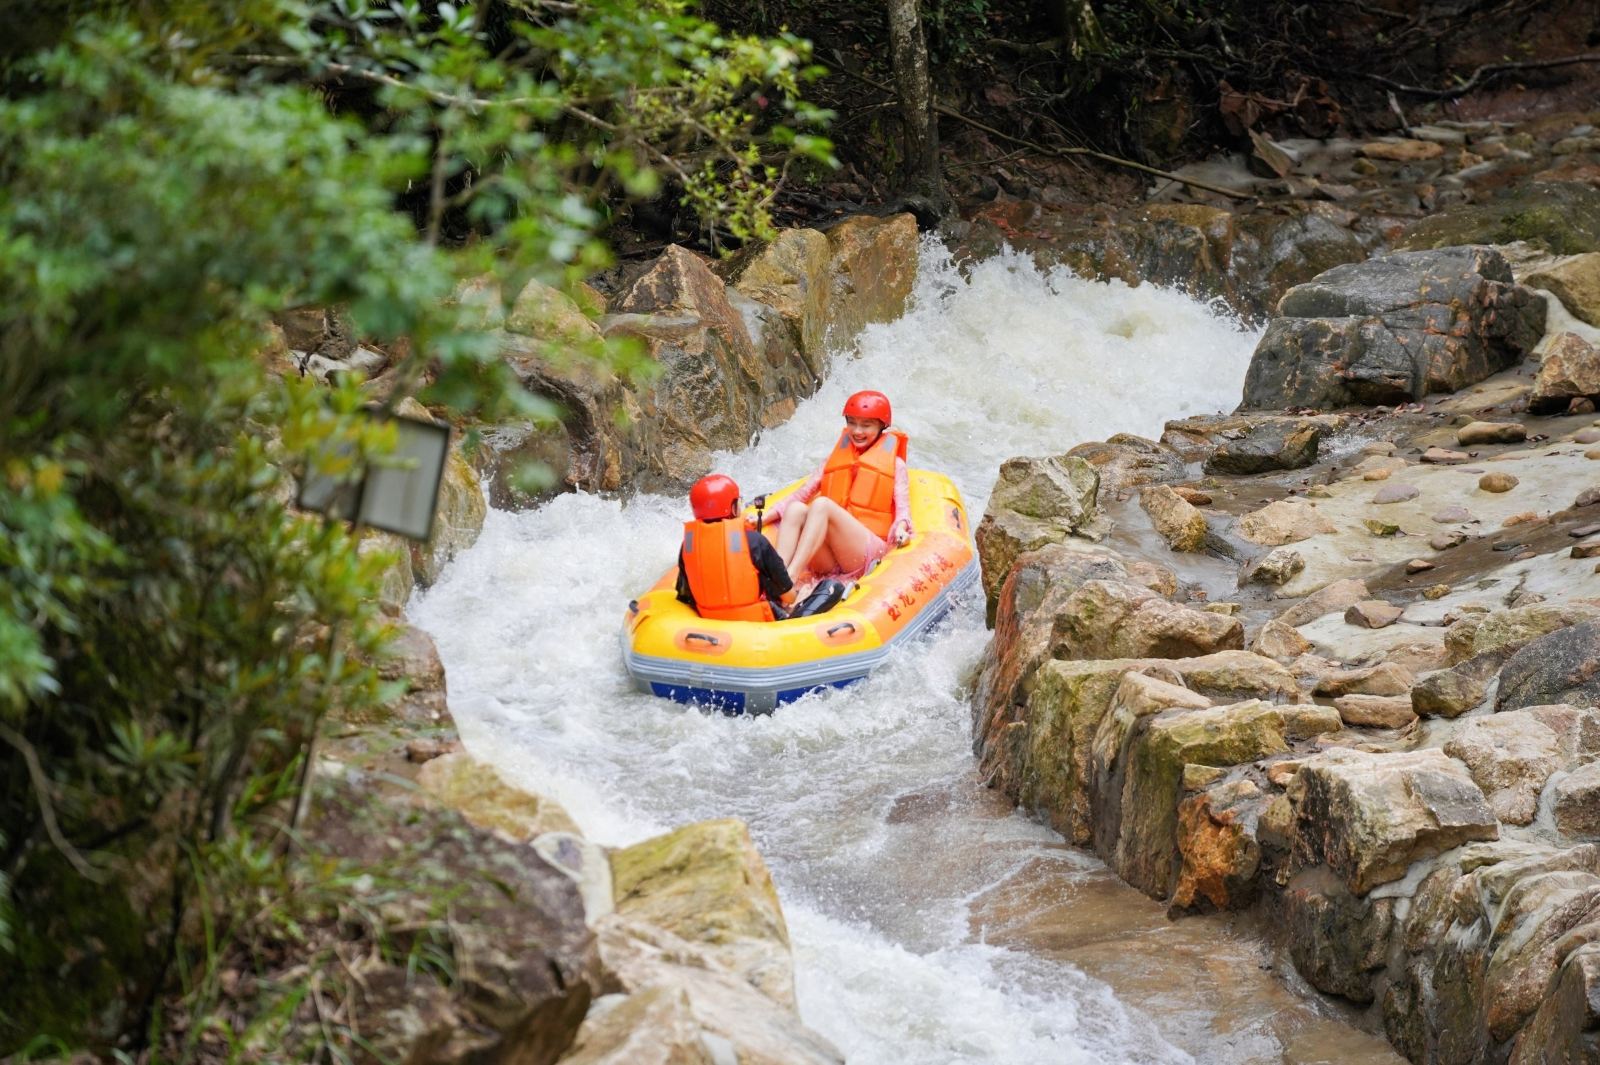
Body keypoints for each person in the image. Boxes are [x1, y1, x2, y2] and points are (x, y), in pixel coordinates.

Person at [758, 390, 913, 588]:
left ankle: (790, 578)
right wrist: (770, 514)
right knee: (796, 509)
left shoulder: (896, 465)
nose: (857, 431)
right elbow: (802, 493)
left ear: (882, 426)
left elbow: (903, 509)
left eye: (866, 425)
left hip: (867, 552)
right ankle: (776, 577)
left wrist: (901, 528)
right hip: (833, 557)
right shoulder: (834, 459)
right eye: (852, 423)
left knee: (822, 504)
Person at [677, 473, 796, 621]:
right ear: (733, 508)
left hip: (710, 623)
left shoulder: (688, 545)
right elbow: (789, 597)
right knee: (831, 588)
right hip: (757, 624)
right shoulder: (754, 541)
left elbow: (686, 597)